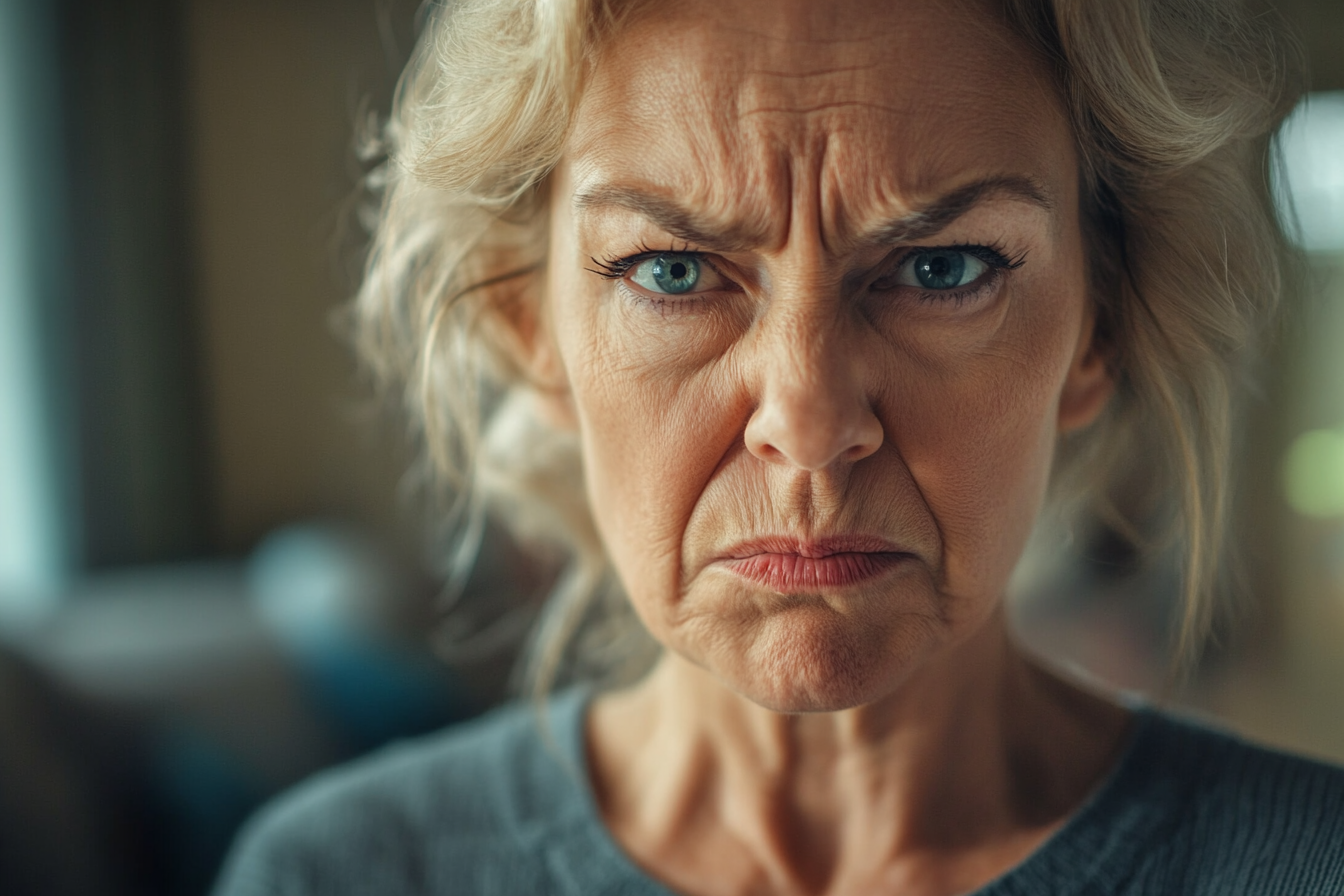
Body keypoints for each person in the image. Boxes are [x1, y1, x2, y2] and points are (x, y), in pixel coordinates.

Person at [214, 0, 1344, 893]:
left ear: (1097, 325)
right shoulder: (338, 873)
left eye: (943, 267)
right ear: (531, 327)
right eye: (672, 270)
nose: (807, 427)